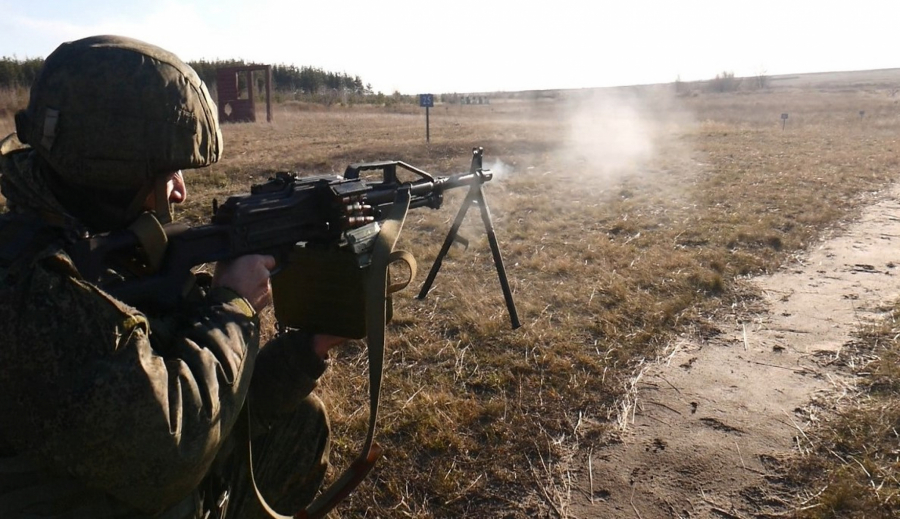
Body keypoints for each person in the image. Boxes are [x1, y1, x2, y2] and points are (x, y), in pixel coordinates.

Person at [0, 35, 336, 518]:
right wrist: (232, 307)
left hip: (117, 467)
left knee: (300, 423)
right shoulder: (35, 296)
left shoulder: (92, 249)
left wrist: (310, 350)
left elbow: (182, 396)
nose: (179, 189)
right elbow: (171, 450)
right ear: (113, 168)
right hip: (143, 477)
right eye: (167, 169)